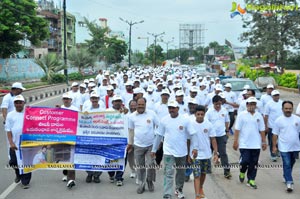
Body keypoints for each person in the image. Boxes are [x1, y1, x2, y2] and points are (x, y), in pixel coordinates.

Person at [151, 100, 198, 199]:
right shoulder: (164, 120)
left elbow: (193, 134)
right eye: (170, 108)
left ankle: (179, 190)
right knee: (169, 172)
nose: (171, 110)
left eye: (173, 108)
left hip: (182, 152)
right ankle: (167, 193)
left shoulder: (185, 120)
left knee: (180, 173)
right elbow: (159, 135)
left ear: (178, 108)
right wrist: (154, 150)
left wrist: (195, 148)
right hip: (168, 151)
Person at [233, 97, 267, 189]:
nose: (251, 106)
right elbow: (237, 129)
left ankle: (251, 179)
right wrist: (235, 141)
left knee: (254, 163)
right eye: (249, 104)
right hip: (244, 143)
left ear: (255, 105)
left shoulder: (259, 115)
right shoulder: (241, 115)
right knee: (245, 161)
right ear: (246, 105)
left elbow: (262, 129)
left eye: (253, 104)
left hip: (256, 144)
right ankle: (242, 171)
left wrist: (264, 142)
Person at [128, 98, 159, 194]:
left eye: (142, 105)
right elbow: (131, 131)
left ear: (145, 105)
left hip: (151, 145)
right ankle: (141, 184)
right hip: (138, 145)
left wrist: (158, 141)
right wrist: (130, 143)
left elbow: (159, 126)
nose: (141, 106)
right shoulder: (132, 116)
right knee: (140, 166)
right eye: (139, 105)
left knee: (150, 165)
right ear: (136, 105)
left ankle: (149, 181)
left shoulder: (152, 114)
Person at [190, 105, 218, 199]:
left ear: (204, 114)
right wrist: (187, 154)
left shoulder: (209, 124)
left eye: (202, 114)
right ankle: (197, 195)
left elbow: (213, 139)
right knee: (196, 175)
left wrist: (216, 153)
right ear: (195, 114)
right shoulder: (191, 125)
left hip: (206, 154)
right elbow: (188, 140)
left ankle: (201, 187)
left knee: (203, 173)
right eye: (198, 114)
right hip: (195, 155)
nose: (200, 116)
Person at [272, 101, 300, 192]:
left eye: (290, 108)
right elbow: (275, 134)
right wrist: (274, 147)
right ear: (282, 109)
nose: (288, 110)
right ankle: (289, 182)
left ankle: (286, 175)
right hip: (283, 147)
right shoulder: (278, 120)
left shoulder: (297, 119)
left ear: (292, 109)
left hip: (295, 147)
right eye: (286, 108)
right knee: (287, 163)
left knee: (291, 162)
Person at [5, 95, 32, 189]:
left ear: (24, 103)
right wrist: (11, 143)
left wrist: (57, 110)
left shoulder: (29, 113)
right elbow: (8, 130)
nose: (18, 104)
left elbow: (45, 117)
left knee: (27, 163)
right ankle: (18, 174)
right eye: (16, 102)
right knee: (13, 162)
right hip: (14, 144)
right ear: (14, 104)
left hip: (27, 143)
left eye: (20, 102)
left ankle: (25, 182)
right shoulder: (10, 115)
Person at [205, 95, 231, 179]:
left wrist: (227, 131)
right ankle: (208, 168)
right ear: (213, 103)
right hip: (211, 136)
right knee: (209, 152)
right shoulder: (209, 112)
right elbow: (206, 123)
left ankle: (226, 171)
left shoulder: (224, 110)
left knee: (223, 153)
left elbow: (227, 121)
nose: (218, 106)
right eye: (216, 104)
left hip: (221, 135)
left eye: (219, 104)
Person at [106, 95, 129, 186]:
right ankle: (111, 174)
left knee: (122, 158)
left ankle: (119, 177)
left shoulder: (125, 112)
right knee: (111, 158)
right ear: (112, 102)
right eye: (116, 101)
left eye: (119, 101)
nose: (117, 103)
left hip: (122, 140)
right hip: (110, 140)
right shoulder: (107, 112)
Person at [59, 93, 79, 188]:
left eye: (68, 99)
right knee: (64, 157)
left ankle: (71, 179)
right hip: (62, 136)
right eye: (64, 99)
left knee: (71, 157)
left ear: (71, 100)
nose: (66, 100)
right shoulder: (59, 109)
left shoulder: (75, 110)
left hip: (72, 136)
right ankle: (65, 173)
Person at [1, 82, 25, 158]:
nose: (22, 91)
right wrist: (6, 120)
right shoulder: (7, 97)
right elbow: (4, 109)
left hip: (19, 119)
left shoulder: (19, 96)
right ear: (16, 89)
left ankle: (21, 154)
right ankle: (12, 156)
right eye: (21, 89)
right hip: (11, 121)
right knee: (11, 139)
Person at [264, 90, 283, 162]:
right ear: (272, 96)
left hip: (281, 126)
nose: (276, 96)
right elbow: (266, 115)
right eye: (275, 95)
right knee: (272, 141)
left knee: (280, 140)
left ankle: (277, 149)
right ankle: (273, 154)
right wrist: (266, 126)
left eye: (277, 95)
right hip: (272, 126)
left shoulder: (282, 103)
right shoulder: (268, 104)